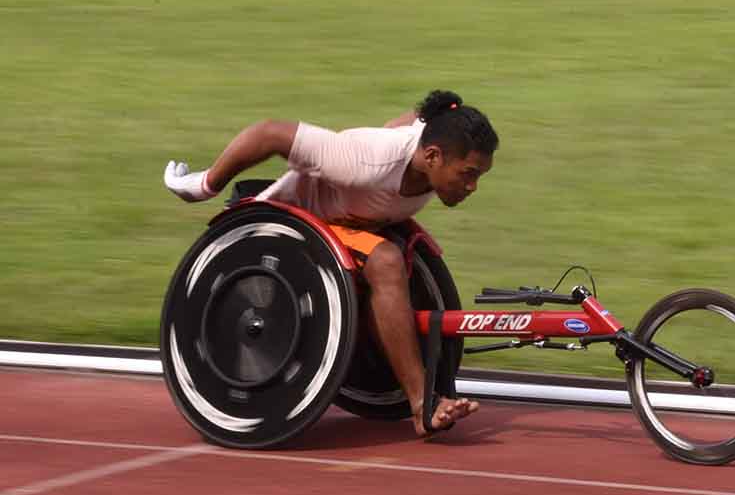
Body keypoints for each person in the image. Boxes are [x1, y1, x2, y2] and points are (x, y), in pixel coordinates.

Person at [163, 89, 498, 437]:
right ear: (432, 156)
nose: (472, 186)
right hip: (304, 228)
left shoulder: (431, 146)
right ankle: (421, 407)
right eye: (468, 174)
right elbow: (270, 133)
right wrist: (203, 186)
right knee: (385, 260)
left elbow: (418, 120)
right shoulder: (362, 162)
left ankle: (405, 363)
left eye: (479, 177)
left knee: (392, 252)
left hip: (357, 223)